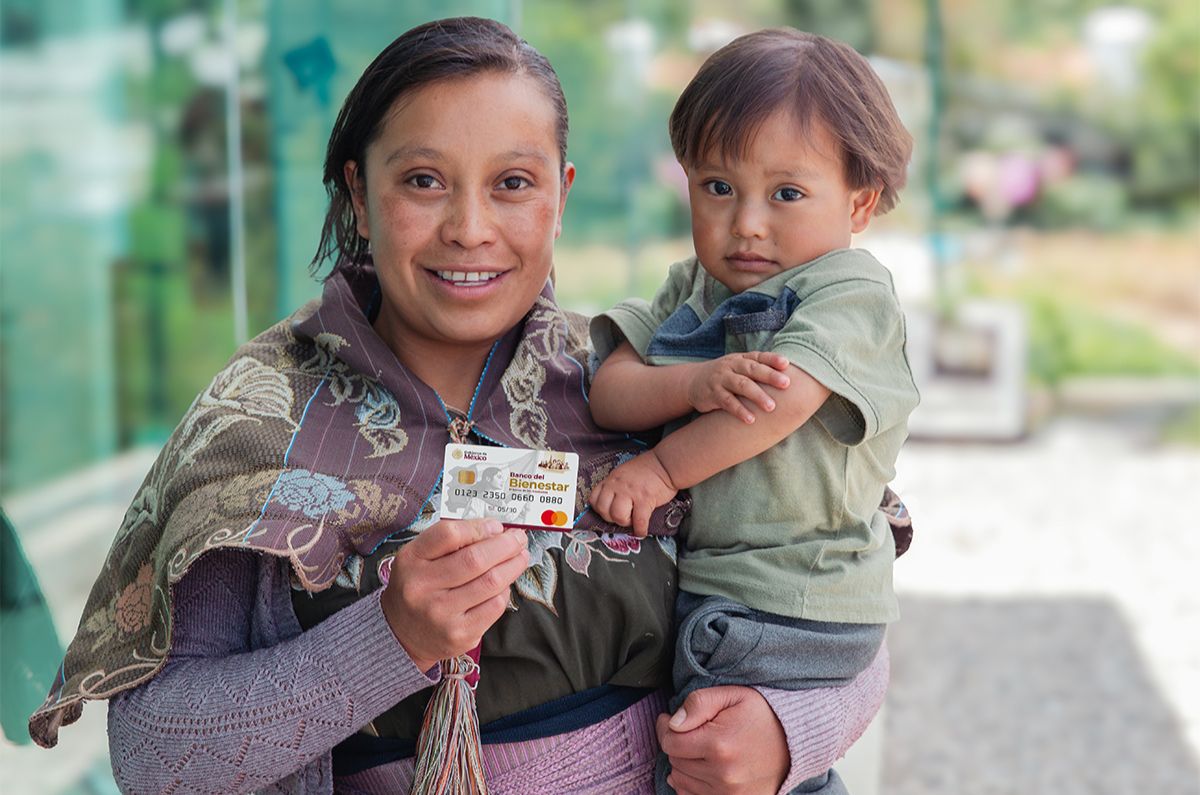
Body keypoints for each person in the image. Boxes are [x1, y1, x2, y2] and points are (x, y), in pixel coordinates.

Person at [28, 18, 893, 794]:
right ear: (359, 195)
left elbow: (836, 592)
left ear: (560, 195)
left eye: (512, 182)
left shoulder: (638, 382)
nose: (470, 228)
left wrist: (788, 732)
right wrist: (389, 638)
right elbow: (152, 757)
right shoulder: (262, 422)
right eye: (423, 181)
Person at [588, 28, 919, 795]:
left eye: (787, 194)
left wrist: (660, 469)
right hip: (726, 586)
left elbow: (775, 404)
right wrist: (693, 383)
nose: (746, 223)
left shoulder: (850, 293)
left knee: (715, 759)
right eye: (717, 187)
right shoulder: (691, 287)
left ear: (860, 202)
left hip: (795, 593)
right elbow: (611, 386)